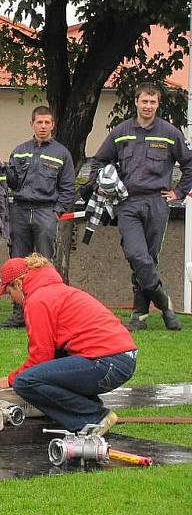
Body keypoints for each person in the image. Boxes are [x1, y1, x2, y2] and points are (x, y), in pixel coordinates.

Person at [84, 82, 192, 331]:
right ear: (136, 102)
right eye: (144, 101)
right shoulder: (121, 131)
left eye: (153, 102)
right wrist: (102, 183)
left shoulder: (169, 132)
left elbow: (189, 164)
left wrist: (179, 191)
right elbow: (99, 161)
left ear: (158, 104)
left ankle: (139, 316)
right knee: (136, 254)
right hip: (128, 202)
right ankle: (165, 304)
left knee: (149, 259)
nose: (148, 106)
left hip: (157, 202)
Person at [0, 254, 137, 435]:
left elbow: (41, 357)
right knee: (54, 364)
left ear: (18, 284)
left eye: (9, 292)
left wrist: (11, 379)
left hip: (106, 362)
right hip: (121, 359)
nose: (11, 299)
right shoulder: (55, 290)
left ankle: (93, 418)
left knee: (25, 381)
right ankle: (88, 410)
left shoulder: (37, 300)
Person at [0, 105, 75, 328]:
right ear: (31, 124)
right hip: (20, 209)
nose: (43, 126)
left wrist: (57, 212)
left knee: (44, 264)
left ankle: (45, 311)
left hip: (46, 211)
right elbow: (10, 182)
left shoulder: (62, 153)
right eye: (39, 122)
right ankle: (19, 313)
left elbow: (68, 187)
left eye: (47, 123)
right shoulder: (20, 150)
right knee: (18, 264)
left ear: (53, 125)